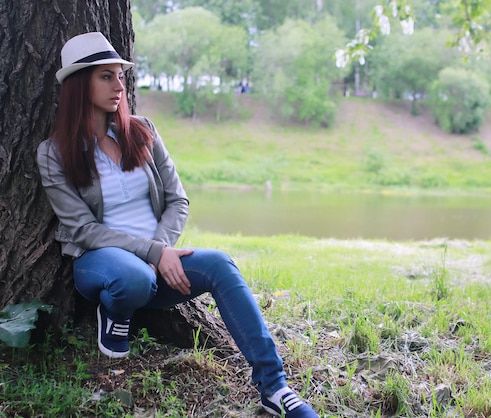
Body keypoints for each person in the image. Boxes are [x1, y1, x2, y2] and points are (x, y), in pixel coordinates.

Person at [36, 32, 318, 418]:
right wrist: (153, 253)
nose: (120, 85)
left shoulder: (142, 130)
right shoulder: (53, 153)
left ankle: (275, 388)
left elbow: (177, 199)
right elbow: (82, 228)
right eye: (106, 76)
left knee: (219, 263)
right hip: (100, 263)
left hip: (158, 259)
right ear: (78, 85)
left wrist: (162, 248)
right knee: (132, 277)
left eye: (120, 76)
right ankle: (115, 314)